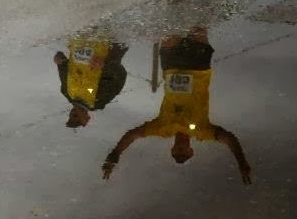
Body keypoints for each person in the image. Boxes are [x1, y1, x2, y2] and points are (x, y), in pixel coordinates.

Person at [100, 28, 251, 184]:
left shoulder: (162, 128)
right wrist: (241, 161)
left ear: (171, 150)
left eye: (176, 154)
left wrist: (114, 155)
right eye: (184, 154)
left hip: (171, 64)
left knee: (172, 23)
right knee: (198, 22)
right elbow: (229, 139)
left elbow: (132, 135)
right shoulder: (202, 131)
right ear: (191, 151)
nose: (180, 151)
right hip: (198, 66)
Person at [53, 31, 129, 128]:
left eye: (71, 115)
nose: (73, 113)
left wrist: (59, 59)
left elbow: (63, 66)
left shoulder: (66, 92)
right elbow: (121, 76)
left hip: (80, 35)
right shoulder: (98, 100)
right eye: (76, 116)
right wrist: (105, 65)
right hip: (109, 39)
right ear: (87, 118)